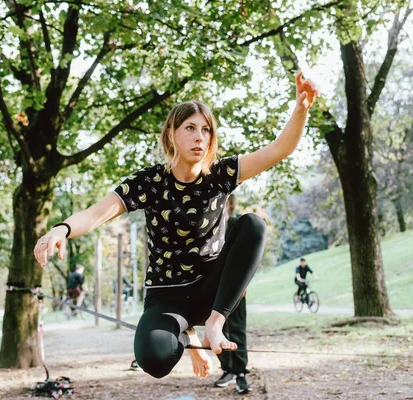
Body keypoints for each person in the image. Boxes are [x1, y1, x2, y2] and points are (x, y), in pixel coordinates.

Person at [34, 72, 319, 379]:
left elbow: (280, 149)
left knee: (252, 224)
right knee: (155, 361)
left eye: (206, 130)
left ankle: (214, 323)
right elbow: (94, 215)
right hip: (167, 295)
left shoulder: (220, 174)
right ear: (171, 134)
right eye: (190, 128)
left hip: (212, 290)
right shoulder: (150, 183)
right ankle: (189, 335)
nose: (200, 136)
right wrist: (60, 229)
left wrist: (301, 107)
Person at [214, 194, 251, 394]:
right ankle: (227, 370)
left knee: (236, 329)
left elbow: (248, 256)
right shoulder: (209, 229)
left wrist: (244, 283)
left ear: (227, 204)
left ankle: (241, 373)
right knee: (217, 331)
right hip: (214, 288)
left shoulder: (237, 225)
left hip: (235, 288)